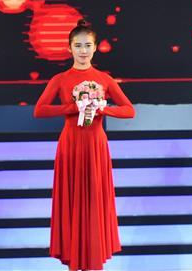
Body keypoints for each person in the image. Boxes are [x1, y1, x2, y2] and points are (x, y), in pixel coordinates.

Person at [34, 19, 135, 271]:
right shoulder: (60, 79)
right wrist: (72, 107)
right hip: (70, 145)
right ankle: (73, 255)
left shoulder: (104, 79)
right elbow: (40, 110)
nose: (83, 50)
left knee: (94, 200)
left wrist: (103, 109)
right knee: (72, 201)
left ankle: (93, 257)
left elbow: (129, 110)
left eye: (87, 45)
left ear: (95, 47)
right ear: (69, 48)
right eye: (78, 45)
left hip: (95, 146)